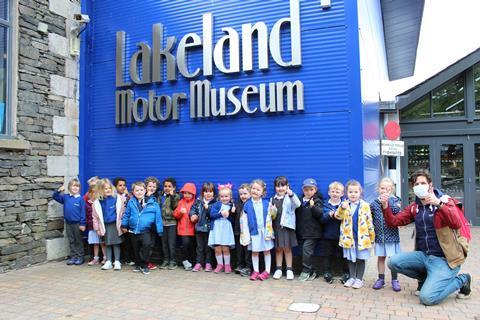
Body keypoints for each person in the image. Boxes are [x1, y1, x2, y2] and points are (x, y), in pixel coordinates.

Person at [380, 169, 472, 305]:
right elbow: (394, 222)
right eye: (416, 184)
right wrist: (385, 206)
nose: (419, 186)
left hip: (444, 260)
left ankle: (462, 279)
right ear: (413, 187)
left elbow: (456, 223)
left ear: (430, 185)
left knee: (427, 298)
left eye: (423, 183)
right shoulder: (414, 207)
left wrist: (439, 204)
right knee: (393, 262)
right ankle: (426, 278)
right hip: (424, 256)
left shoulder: (445, 201)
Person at [335, 180, 375, 289]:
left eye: (355, 192)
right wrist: (342, 208)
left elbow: (369, 222)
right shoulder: (344, 204)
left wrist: (371, 238)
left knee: (360, 258)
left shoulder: (365, 205)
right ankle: (352, 277)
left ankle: (359, 279)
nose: (353, 194)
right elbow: (337, 216)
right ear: (347, 193)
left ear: (360, 193)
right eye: (350, 192)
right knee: (350, 258)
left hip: (362, 238)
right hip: (349, 238)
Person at [121, 181, 163, 275]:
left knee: (146, 246)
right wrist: (124, 225)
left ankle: (144, 265)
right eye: (137, 190)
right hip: (133, 230)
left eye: (141, 190)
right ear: (133, 192)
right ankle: (138, 264)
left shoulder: (153, 202)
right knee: (135, 248)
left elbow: (158, 217)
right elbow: (127, 214)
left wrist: (159, 229)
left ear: (145, 190)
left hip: (146, 230)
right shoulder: (131, 202)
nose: (139, 192)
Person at [371, 177, 402, 291]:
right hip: (380, 236)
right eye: (383, 188)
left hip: (392, 236)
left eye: (388, 189)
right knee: (381, 258)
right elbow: (370, 216)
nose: (385, 191)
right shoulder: (374, 203)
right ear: (379, 189)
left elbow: (397, 213)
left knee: (393, 259)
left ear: (392, 190)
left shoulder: (396, 201)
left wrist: (387, 202)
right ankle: (381, 279)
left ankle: (395, 279)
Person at [243, 179, 274, 281]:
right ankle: (256, 271)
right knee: (255, 251)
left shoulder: (266, 203)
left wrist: (274, 210)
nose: (255, 191)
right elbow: (244, 220)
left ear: (262, 192)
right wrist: (245, 234)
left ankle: (267, 271)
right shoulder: (247, 204)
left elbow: (273, 216)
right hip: (254, 232)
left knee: (266, 251)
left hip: (265, 231)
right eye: (253, 188)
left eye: (258, 189)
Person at [270, 176, 300, 280]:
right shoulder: (272, 199)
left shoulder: (290, 198)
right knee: (278, 249)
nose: (280, 188)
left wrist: (291, 194)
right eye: (278, 186)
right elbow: (271, 215)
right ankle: (278, 269)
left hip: (286, 227)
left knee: (287, 249)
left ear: (287, 186)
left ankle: (289, 269)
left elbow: (298, 204)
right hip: (276, 227)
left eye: (283, 186)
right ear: (275, 188)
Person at [92, 178, 125, 271]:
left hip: (115, 225)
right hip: (104, 225)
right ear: (100, 190)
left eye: (109, 188)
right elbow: (95, 216)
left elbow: (122, 212)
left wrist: (123, 224)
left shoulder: (117, 198)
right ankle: (109, 261)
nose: (107, 190)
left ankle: (117, 261)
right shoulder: (98, 202)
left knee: (116, 243)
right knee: (107, 243)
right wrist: (97, 228)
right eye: (105, 189)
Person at [320, 181, 349, 284]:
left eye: (338, 192)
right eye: (333, 191)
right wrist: (329, 215)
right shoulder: (325, 204)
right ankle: (327, 272)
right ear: (329, 193)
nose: (335, 193)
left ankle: (346, 273)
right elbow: (321, 219)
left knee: (343, 256)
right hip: (328, 236)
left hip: (341, 236)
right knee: (327, 256)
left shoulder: (344, 205)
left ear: (342, 194)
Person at [53, 178, 86, 265]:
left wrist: (82, 223)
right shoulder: (66, 197)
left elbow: (83, 212)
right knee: (71, 240)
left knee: (78, 240)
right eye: (73, 185)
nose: (75, 188)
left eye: (77, 186)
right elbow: (55, 197)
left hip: (77, 223)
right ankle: (73, 256)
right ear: (69, 187)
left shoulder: (80, 199)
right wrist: (58, 191)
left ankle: (80, 257)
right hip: (68, 223)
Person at [296, 178, 323, 281]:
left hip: (313, 233)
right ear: (303, 190)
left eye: (311, 189)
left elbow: (320, 214)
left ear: (315, 190)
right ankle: (313, 271)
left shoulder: (317, 201)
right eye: (306, 189)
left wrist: (313, 207)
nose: (308, 192)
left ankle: (306, 271)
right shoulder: (300, 201)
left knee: (306, 251)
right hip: (302, 232)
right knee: (305, 252)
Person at [208, 184, 236, 273]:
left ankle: (227, 265)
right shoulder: (216, 205)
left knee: (225, 247)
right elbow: (211, 215)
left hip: (226, 229)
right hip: (217, 229)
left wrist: (231, 214)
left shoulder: (232, 206)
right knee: (217, 248)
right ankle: (219, 264)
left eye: (226, 196)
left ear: (230, 197)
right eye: (222, 196)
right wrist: (221, 214)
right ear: (219, 197)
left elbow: (233, 220)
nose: (224, 198)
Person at [190, 182, 216, 272]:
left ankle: (208, 263)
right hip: (199, 228)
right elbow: (193, 209)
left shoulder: (215, 203)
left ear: (213, 193)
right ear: (202, 193)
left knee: (208, 247)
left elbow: (214, 214)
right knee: (200, 247)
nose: (208, 193)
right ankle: (199, 263)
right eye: (206, 191)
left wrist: (207, 208)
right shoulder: (198, 201)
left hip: (210, 229)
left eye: (210, 191)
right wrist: (192, 215)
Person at [173, 182, 197, 271]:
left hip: (193, 229)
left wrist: (196, 218)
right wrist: (180, 212)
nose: (186, 195)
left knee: (192, 246)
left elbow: (198, 214)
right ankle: (185, 260)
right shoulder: (181, 202)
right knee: (185, 245)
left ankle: (192, 261)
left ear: (193, 194)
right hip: (183, 229)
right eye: (185, 193)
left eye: (189, 193)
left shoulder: (195, 202)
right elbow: (175, 214)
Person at [158, 177, 180, 270]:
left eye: (169, 186)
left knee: (171, 243)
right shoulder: (160, 196)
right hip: (162, 223)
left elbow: (175, 207)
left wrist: (172, 197)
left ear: (174, 188)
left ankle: (173, 261)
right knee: (164, 244)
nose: (167, 188)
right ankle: (166, 260)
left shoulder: (176, 196)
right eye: (165, 186)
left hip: (171, 223)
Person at [84, 178, 106, 266]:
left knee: (102, 243)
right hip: (91, 226)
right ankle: (95, 258)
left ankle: (105, 258)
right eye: (92, 192)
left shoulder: (102, 201)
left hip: (100, 226)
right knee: (95, 243)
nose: (94, 194)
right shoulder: (86, 200)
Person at [233, 183, 252, 277]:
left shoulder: (251, 204)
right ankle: (240, 265)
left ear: (250, 194)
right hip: (238, 231)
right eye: (241, 194)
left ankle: (248, 267)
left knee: (248, 251)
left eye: (245, 194)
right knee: (239, 250)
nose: (242, 196)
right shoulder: (237, 204)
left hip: (248, 232)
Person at [114, 177, 134, 266]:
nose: (122, 187)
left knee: (127, 241)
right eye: (120, 185)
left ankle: (127, 258)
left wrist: (127, 196)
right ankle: (118, 258)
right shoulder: (114, 197)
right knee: (118, 241)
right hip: (117, 222)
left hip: (126, 222)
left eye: (124, 185)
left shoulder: (128, 196)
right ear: (115, 187)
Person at [144, 176, 160, 270]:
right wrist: (148, 196)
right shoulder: (143, 196)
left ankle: (147, 261)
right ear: (146, 187)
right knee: (146, 244)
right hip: (145, 225)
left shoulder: (158, 196)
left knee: (151, 244)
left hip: (154, 225)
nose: (152, 188)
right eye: (150, 186)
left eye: (154, 186)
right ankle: (144, 262)